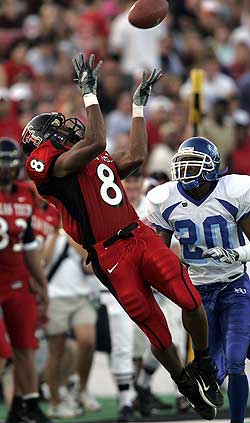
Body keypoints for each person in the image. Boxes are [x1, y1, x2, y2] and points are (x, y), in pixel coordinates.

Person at [21, 52, 223, 420]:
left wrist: (138, 107)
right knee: (156, 330)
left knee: (190, 300)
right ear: (43, 142)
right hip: (110, 257)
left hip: (139, 236)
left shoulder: (88, 158)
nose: (67, 129)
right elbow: (96, 139)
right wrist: (89, 94)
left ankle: (205, 364)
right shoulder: (53, 167)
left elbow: (138, 154)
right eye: (58, 128)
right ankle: (184, 381)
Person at [146, 136, 250, 423]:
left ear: (211, 168)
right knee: (212, 368)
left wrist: (237, 254)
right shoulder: (164, 198)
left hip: (233, 283)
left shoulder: (234, 191)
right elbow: (158, 251)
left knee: (235, 360)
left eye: (193, 166)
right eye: (183, 165)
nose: (186, 172)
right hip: (196, 291)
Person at [0, 137, 52, 423]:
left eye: (10, 164)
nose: (6, 170)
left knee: (25, 346)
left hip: (18, 280)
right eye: (2, 165)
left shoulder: (24, 193)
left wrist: (41, 284)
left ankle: (28, 405)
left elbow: (30, 245)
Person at [43, 228, 100, 418]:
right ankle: (55, 401)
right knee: (56, 351)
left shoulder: (79, 230)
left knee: (88, 340)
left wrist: (73, 241)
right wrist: (53, 235)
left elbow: (90, 267)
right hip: (54, 297)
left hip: (81, 295)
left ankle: (81, 389)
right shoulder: (44, 227)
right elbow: (43, 262)